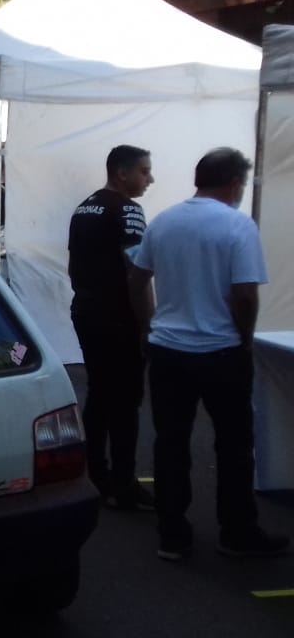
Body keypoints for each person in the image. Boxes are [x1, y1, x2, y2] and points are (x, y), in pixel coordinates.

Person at [130, 148, 288, 561]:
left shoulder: (163, 221)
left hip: (167, 351)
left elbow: (137, 278)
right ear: (235, 184)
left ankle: (173, 534)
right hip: (220, 352)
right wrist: (245, 337)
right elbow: (245, 294)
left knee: (170, 444)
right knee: (234, 446)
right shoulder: (237, 226)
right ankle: (236, 532)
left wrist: (148, 327)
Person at [68, 145, 155, 511]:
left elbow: (73, 267)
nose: (150, 179)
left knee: (100, 395)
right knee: (125, 402)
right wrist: (147, 326)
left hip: (86, 311)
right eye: (144, 171)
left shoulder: (83, 208)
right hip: (117, 317)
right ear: (122, 173)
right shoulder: (128, 210)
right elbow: (137, 274)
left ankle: (96, 475)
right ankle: (123, 483)